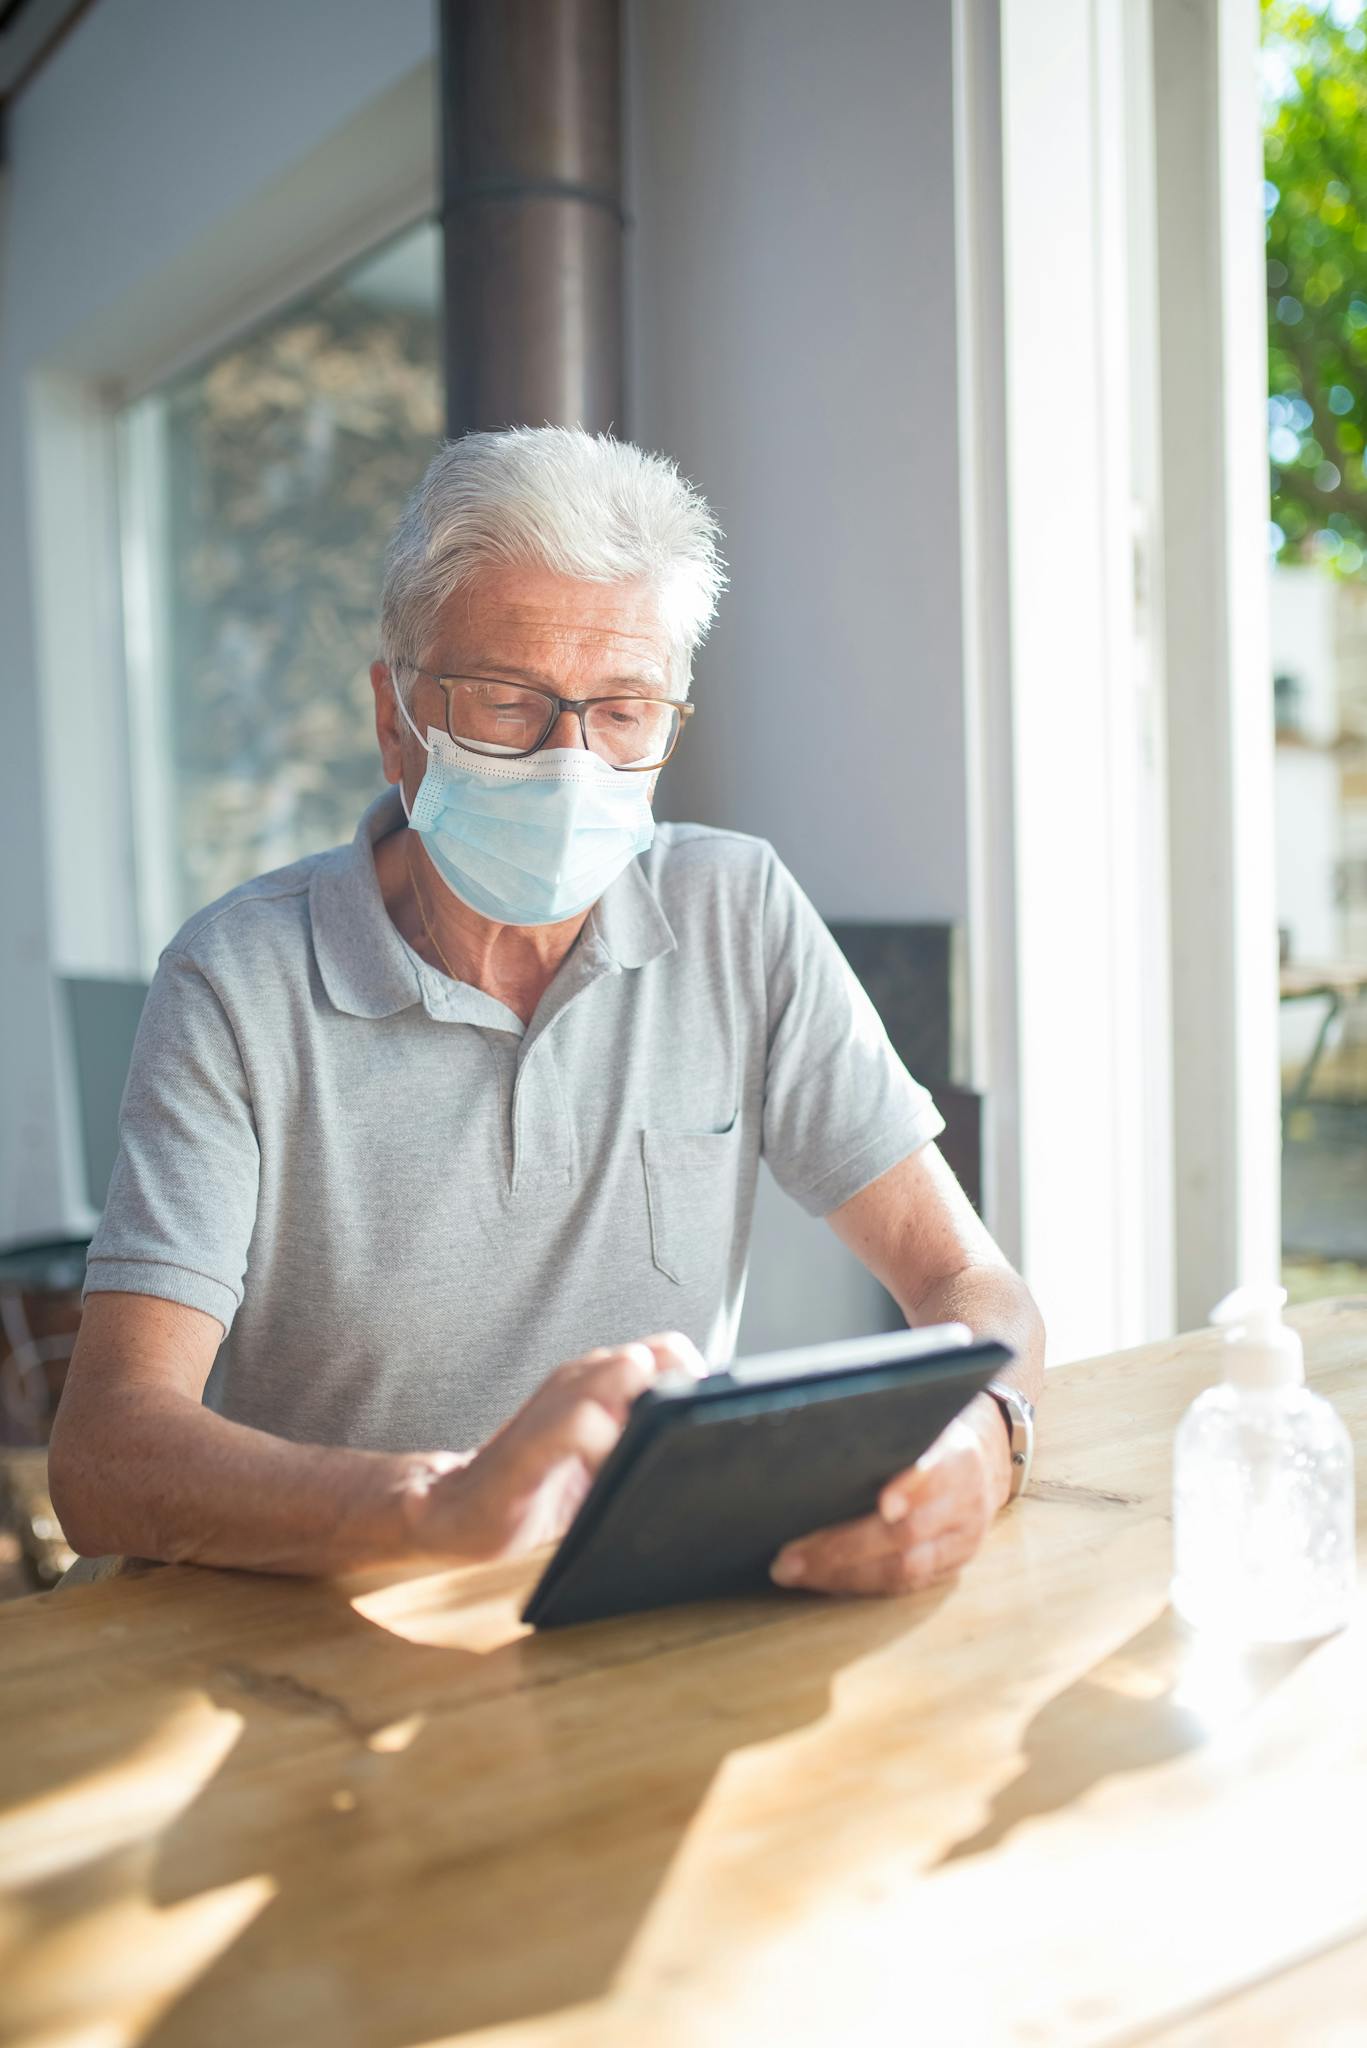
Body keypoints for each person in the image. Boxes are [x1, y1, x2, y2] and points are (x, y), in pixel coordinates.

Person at [49, 427, 1044, 1597]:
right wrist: (434, 1506)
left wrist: (985, 1434)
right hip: (304, 1629)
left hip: (621, 1603)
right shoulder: (235, 979)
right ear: (395, 720)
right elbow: (105, 1453)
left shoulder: (737, 909)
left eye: (623, 711)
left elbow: (972, 1286)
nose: (572, 765)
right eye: (508, 701)